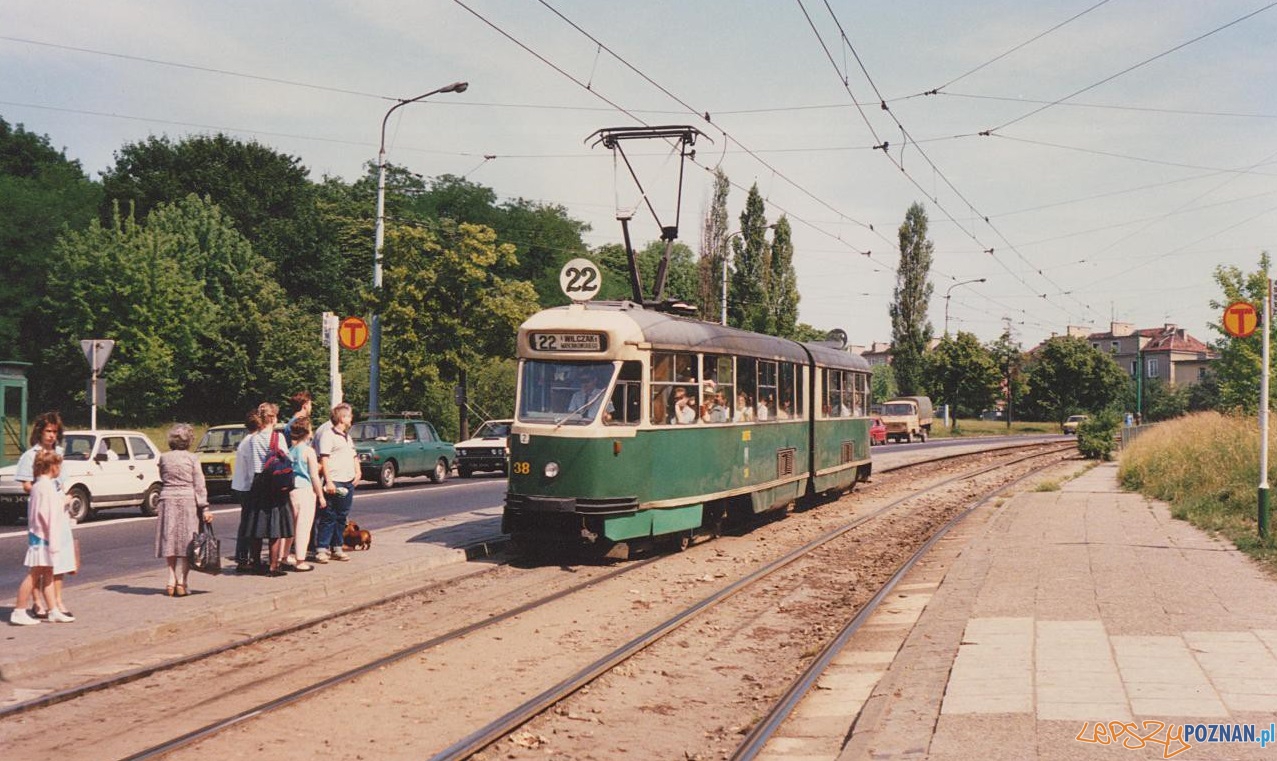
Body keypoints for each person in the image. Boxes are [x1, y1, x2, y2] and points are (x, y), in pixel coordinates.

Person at [11, 450, 74, 624]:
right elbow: (49, 514)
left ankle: (53, 610)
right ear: (52, 467)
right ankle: (19, 610)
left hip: (41, 536)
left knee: (47, 573)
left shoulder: (41, 485)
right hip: (43, 537)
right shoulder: (45, 487)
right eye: (58, 465)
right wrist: (64, 502)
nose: (60, 468)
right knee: (34, 574)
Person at [13, 412, 66, 619]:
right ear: (40, 432)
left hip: (56, 511)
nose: (52, 435)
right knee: (38, 568)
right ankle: (31, 605)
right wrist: (44, 490)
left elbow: (63, 481)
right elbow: (27, 484)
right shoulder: (31, 456)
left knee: (52, 566)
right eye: (48, 431)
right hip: (43, 523)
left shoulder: (58, 453)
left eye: (55, 432)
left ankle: (54, 606)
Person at [154, 424, 211, 596]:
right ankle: (182, 582)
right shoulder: (193, 459)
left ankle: (170, 579)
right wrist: (205, 507)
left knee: (169, 539)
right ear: (189, 441)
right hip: (188, 501)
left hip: (167, 499)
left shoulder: (163, 458)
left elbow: (162, 477)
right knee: (188, 541)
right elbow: (199, 484)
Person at [246, 402, 293, 576]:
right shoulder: (277, 437)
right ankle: (274, 565)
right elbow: (286, 459)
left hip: (258, 481)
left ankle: (256, 562)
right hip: (274, 482)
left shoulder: (253, 438)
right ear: (272, 418)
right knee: (275, 524)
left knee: (257, 523)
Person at [314, 403, 360, 564]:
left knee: (342, 516)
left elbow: (354, 455)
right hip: (335, 480)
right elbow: (324, 459)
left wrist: (358, 471)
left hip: (348, 480)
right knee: (329, 515)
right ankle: (321, 548)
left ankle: (337, 547)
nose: (351, 417)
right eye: (349, 415)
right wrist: (329, 481)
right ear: (342, 418)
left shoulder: (347, 436)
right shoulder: (328, 435)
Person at [282, 416, 323, 572]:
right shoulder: (309, 451)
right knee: (303, 527)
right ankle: (300, 561)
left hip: (291, 491)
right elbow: (314, 476)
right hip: (305, 491)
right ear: (307, 432)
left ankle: (284, 557)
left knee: (289, 527)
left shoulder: (289, 451)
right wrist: (320, 495)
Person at [233, 409, 263, 573]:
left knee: (246, 522)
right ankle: (244, 558)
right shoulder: (253, 441)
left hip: (241, 485)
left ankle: (244, 557)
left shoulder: (247, 440)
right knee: (249, 523)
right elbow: (254, 468)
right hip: (249, 487)